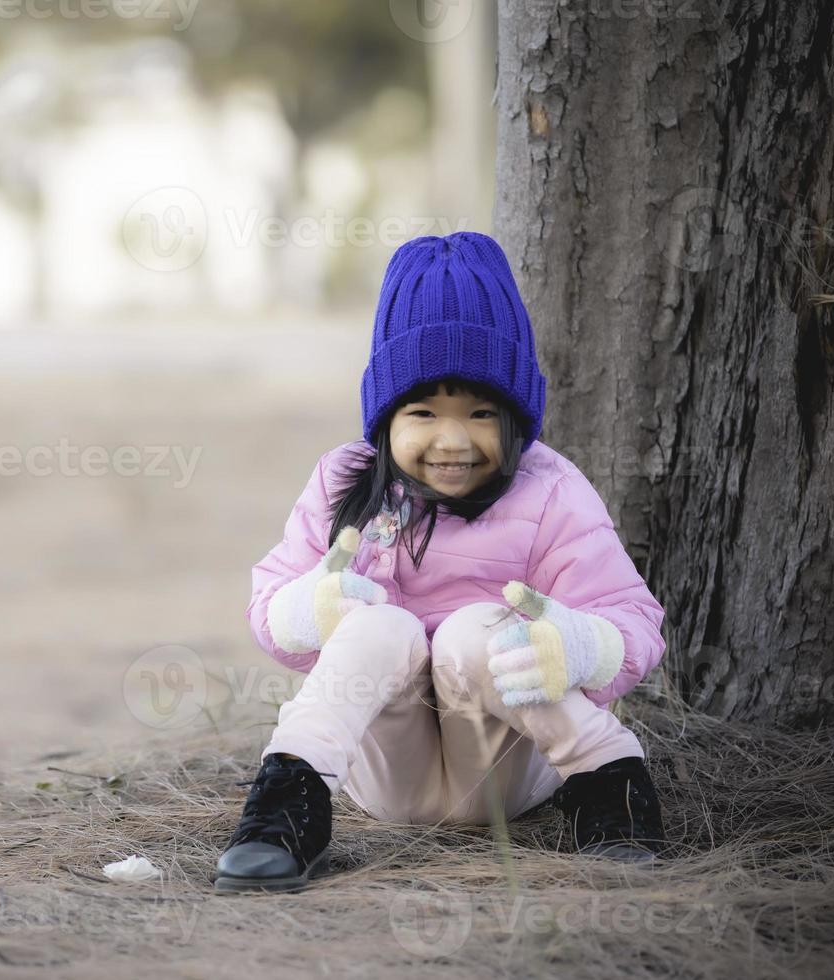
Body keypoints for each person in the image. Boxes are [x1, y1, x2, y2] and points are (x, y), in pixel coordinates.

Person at [213, 231, 668, 895]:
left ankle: (610, 788)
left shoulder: (550, 489)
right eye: (423, 411)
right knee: (377, 626)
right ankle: (286, 806)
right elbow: (268, 608)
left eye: (481, 412)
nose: (452, 440)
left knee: (475, 630)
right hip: (387, 778)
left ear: (516, 417)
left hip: (505, 772)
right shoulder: (344, 482)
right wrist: (312, 609)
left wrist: (578, 645)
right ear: (385, 414)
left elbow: (634, 618)